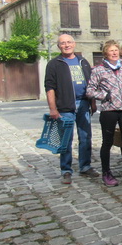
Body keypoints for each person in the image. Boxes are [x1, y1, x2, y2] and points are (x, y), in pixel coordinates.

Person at [44, 34, 99, 184]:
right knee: (66, 140)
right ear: (59, 46)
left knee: (85, 137)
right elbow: (49, 88)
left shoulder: (83, 61)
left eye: (69, 42)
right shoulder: (54, 64)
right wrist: (53, 109)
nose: (66, 45)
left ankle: (85, 166)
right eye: (63, 43)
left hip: (83, 104)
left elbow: (91, 84)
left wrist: (92, 103)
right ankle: (66, 170)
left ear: (74, 44)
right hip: (65, 107)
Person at [86, 40, 122, 187]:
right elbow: (90, 90)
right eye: (111, 51)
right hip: (109, 110)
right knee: (107, 142)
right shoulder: (98, 70)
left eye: (116, 50)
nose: (115, 53)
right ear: (106, 53)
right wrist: (105, 95)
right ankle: (106, 172)